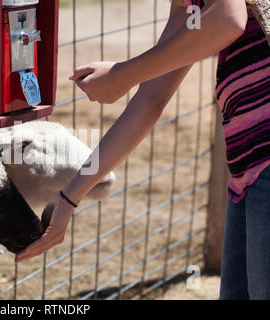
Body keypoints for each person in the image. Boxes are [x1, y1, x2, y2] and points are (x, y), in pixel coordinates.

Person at [15, 0, 270, 300]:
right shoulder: (189, 9)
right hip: (248, 174)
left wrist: (124, 74)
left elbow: (228, 19)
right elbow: (150, 101)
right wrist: (68, 198)